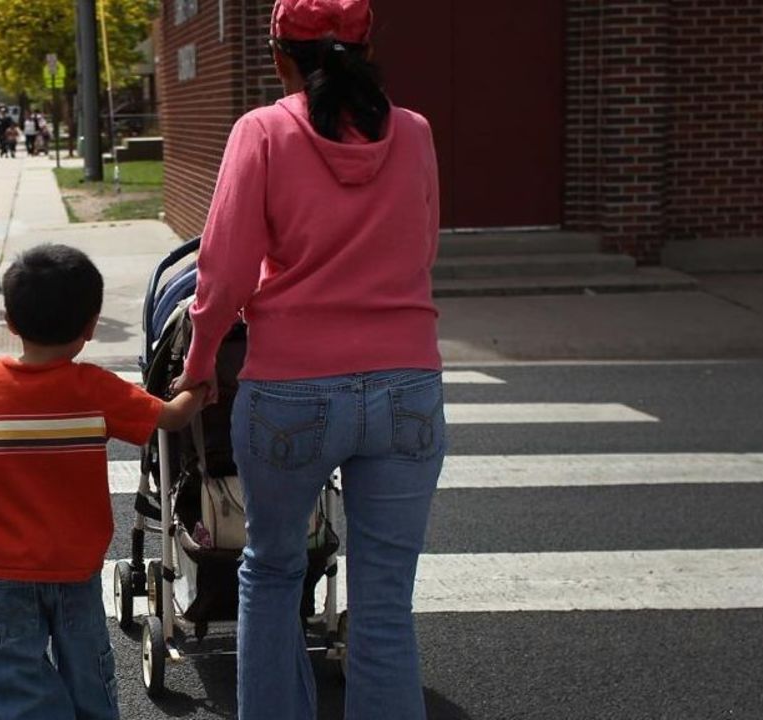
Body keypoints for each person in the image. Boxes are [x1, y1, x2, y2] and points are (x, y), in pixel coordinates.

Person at [171, 1, 445, 718]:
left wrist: (200, 366)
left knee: (271, 571)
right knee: (386, 601)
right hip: (408, 383)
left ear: (278, 55)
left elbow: (222, 274)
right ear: (365, 51)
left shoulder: (262, 131)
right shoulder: (414, 134)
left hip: (293, 388)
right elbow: (423, 250)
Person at [0, 244, 206, 720]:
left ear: (10, 323)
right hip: (75, 568)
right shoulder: (94, 389)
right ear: (91, 325)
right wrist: (198, 384)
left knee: (16, 673)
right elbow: (173, 417)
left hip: (2, 570)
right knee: (87, 670)